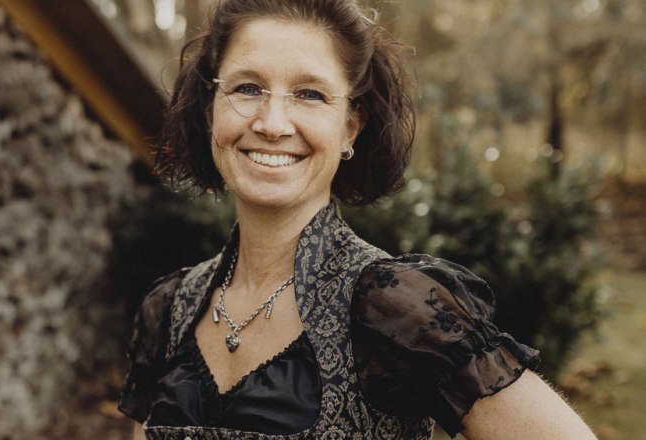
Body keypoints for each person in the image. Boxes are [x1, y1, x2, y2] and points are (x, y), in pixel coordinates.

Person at [118, 0, 598, 438]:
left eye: (309, 94)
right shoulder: (169, 309)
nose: (271, 122)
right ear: (209, 112)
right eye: (247, 88)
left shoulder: (397, 307)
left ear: (350, 126)